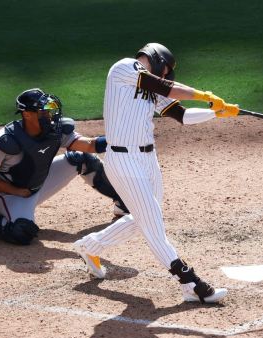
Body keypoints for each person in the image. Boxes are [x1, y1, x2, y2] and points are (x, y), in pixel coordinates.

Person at [73, 43, 239, 304]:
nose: (165, 77)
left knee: (146, 218)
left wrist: (215, 113)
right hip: (123, 160)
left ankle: (90, 246)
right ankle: (190, 283)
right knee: (153, 225)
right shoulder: (124, 68)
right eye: (165, 71)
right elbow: (165, 87)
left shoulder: (151, 88)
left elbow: (181, 115)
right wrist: (203, 94)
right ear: (158, 61)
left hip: (148, 159)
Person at [0, 88, 128, 245]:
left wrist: (117, 140)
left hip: (39, 184)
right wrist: (15, 191)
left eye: (50, 110)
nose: (49, 115)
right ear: (27, 114)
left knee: (82, 159)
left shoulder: (55, 130)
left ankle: (123, 204)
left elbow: (90, 145)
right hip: (9, 195)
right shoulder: (5, 141)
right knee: (22, 232)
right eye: (43, 112)